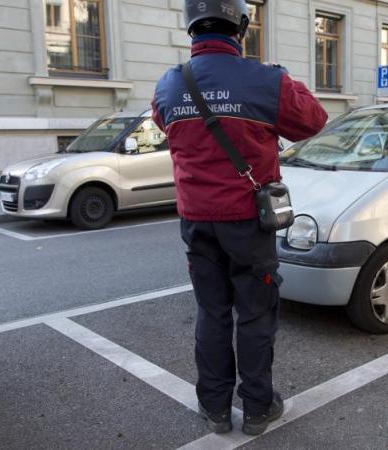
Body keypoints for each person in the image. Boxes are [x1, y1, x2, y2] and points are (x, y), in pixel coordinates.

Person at [150, 0, 328, 436]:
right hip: (248, 221)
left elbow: (163, 125)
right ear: (242, 26)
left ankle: (213, 408)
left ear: (190, 27)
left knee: (212, 313)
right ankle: (256, 408)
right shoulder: (266, 81)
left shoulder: (169, 85)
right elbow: (313, 121)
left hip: (196, 222)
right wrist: (286, 77)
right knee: (255, 314)